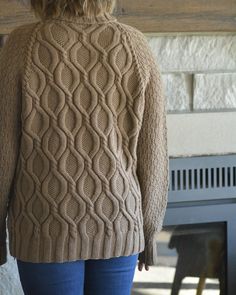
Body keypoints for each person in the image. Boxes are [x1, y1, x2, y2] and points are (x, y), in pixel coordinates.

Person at [0, 0, 169, 294]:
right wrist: (149, 229)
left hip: (45, 226)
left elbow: (3, 152)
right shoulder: (135, 45)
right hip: (119, 222)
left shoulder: (21, 46)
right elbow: (154, 152)